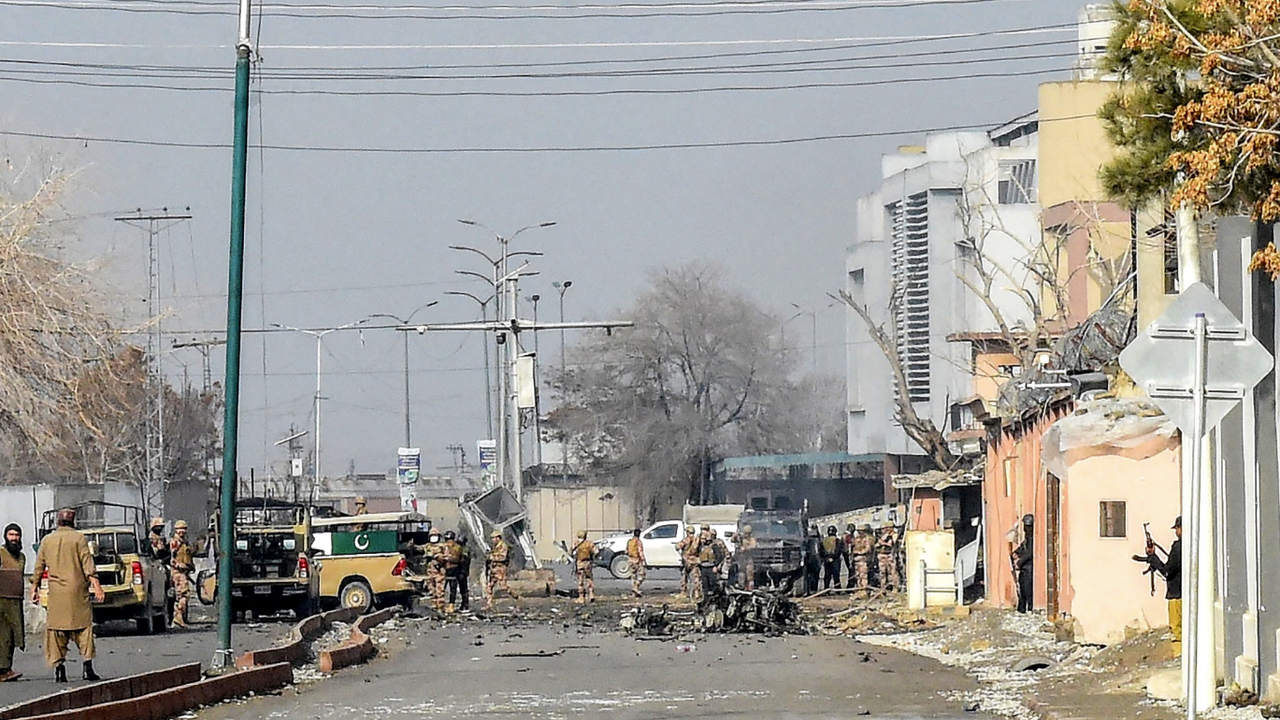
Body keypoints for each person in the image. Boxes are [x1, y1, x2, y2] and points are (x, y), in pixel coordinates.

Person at [31, 508, 103, 683]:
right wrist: (97, 586)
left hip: (56, 593)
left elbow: (39, 566)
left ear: (58, 522)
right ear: (73, 522)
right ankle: (87, 667)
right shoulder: (79, 538)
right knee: (84, 629)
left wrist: (34, 587)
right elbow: (87, 564)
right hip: (77, 592)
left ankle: (59, 669)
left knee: (56, 631)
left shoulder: (47, 540)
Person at [1139, 516, 1183, 650]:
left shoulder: (1178, 547)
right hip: (1188, 595)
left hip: (1176, 595)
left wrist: (1153, 558)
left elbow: (1167, 571)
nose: (1176, 532)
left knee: (1176, 632)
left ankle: (1179, 656)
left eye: (1177, 529)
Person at [0, 524, 26, 682]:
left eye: (16, 535)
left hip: (16, 600)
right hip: (2, 600)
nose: (14, 538)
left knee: (14, 634)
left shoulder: (21, 556)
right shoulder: (0, 553)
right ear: (5, 536)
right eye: (11, 535)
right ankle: (3, 669)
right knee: (3, 636)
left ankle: (7, 668)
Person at [170, 520, 194, 627]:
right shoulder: (175, 542)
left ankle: (179, 617)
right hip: (177, 572)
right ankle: (178, 617)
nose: (182, 531)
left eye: (184, 529)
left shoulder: (184, 542)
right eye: (180, 529)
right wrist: (178, 565)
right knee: (182, 595)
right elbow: (171, 557)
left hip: (184, 572)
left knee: (184, 595)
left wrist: (191, 566)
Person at [484, 530, 517, 609]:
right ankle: (489, 604)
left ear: (498, 538)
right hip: (494, 568)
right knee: (489, 586)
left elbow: (503, 557)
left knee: (503, 586)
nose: (492, 540)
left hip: (500, 569)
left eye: (493, 538)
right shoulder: (495, 547)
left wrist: (491, 557)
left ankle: (516, 597)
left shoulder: (503, 546)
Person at [1012, 514, 1034, 613]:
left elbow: (1029, 553)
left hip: (1029, 568)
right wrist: (1016, 553)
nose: (1026, 528)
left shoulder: (1033, 538)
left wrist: (1019, 563)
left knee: (1028, 590)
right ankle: (1021, 609)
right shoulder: (1027, 538)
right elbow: (1023, 547)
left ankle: (1029, 609)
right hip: (1024, 569)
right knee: (1022, 589)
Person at [423, 529, 447, 612]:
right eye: (432, 536)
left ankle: (441, 606)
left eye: (435, 536)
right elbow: (420, 549)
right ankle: (434, 605)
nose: (433, 538)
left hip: (439, 571)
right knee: (431, 589)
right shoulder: (427, 546)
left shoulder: (442, 546)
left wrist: (437, 557)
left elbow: (446, 557)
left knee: (439, 589)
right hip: (430, 571)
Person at [442, 531, 465, 612]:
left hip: (451, 569)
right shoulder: (444, 546)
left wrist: (447, 558)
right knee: (445, 587)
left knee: (451, 587)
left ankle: (450, 605)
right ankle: (445, 605)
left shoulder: (456, 547)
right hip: (447, 569)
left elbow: (458, 559)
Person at [571, 530, 596, 603]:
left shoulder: (576, 543)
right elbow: (596, 551)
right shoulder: (589, 543)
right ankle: (591, 594)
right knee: (589, 579)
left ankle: (581, 597)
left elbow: (570, 552)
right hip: (588, 563)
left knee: (580, 581)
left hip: (579, 563)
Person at [848, 524, 874, 592]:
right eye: (859, 531)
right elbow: (853, 548)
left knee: (863, 576)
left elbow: (868, 549)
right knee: (857, 576)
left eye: (861, 531)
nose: (860, 532)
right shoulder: (856, 538)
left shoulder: (868, 538)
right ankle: (859, 589)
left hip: (864, 559)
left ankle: (864, 590)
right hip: (856, 560)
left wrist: (859, 552)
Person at [876, 524, 900, 592]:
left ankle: (895, 587)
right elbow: (877, 544)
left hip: (890, 555)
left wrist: (884, 542)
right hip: (882, 555)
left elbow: (892, 544)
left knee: (892, 572)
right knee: (882, 572)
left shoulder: (894, 535)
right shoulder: (883, 535)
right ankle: (883, 588)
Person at [819, 525, 845, 590]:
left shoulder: (824, 541)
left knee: (827, 576)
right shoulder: (837, 540)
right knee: (836, 575)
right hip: (835, 560)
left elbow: (821, 551)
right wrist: (833, 557)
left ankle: (826, 589)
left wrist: (826, 558)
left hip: (827, 560)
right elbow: (839, 550)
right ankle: (837, 589)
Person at [451, 536, 472, 611]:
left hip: (462, 570)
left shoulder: (465, 549)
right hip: (457, 570)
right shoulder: (458, 548)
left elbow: (465, 561)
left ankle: (465, 604)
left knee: (463, 588)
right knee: (455, 587)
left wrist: (463, 571)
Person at [675, 526, 697, 597]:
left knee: (684, 576)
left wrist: (677, 546)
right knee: (696, 577)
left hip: (686, 561)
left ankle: (683, 592)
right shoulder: (697, 540)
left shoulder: (686, 540)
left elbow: (678, 546)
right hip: (694, 561)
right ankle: (696, 593)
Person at [625, 528, 646, 598]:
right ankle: (636, 587)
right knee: (642, 575)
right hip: (637, 560)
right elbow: (640, 551)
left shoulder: (630, 541)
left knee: (633, 576)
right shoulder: (638, 542)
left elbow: (626, 551)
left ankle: (634, 592)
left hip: (630, 560)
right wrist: (643, 560)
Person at [736, 524, 757, 590]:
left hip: (748, 559)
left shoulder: (752, 540)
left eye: (746, 533)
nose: (745, 535)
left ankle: (750, 587)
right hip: (741, 559)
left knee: (749, 574)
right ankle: (742, 586)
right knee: (741, 573)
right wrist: (736, 535)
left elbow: (753, 546)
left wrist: (745, 548)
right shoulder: (741, 539)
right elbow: (732, 540)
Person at [803, 525, 822, 595]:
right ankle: (808, 590)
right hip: (811, 558)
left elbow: (820, 549)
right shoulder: (809, 539)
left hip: (815, 558)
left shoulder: (817, 539)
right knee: (809, 576)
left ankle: (812, 589)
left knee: (814, 575)